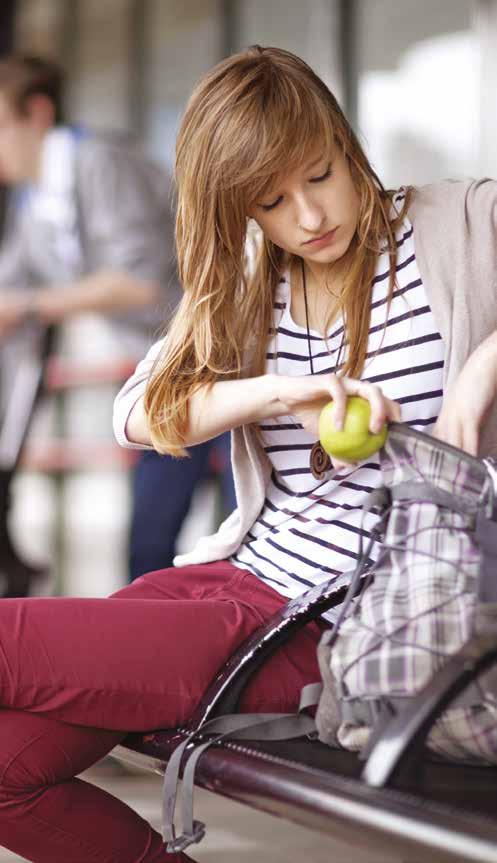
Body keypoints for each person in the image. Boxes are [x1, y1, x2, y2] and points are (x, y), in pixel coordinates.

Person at [0, 44, 497, 863]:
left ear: (344, 141)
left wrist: (477, 375)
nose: (307, 216)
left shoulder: (456, 224)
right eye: (270, 200)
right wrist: (278, 391)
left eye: (320, 174)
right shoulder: (248, 286)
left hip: (335, 619)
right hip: (233, 584)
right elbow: (140, 412)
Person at [0, 54, 235, 590]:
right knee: (147, 545)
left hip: (226, 359)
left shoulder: (99, 162)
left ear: (37, 113)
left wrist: (29, 307)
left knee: (244, 530)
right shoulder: (34, 199)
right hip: (172, 371)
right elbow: (10, 284)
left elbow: (140, 286)